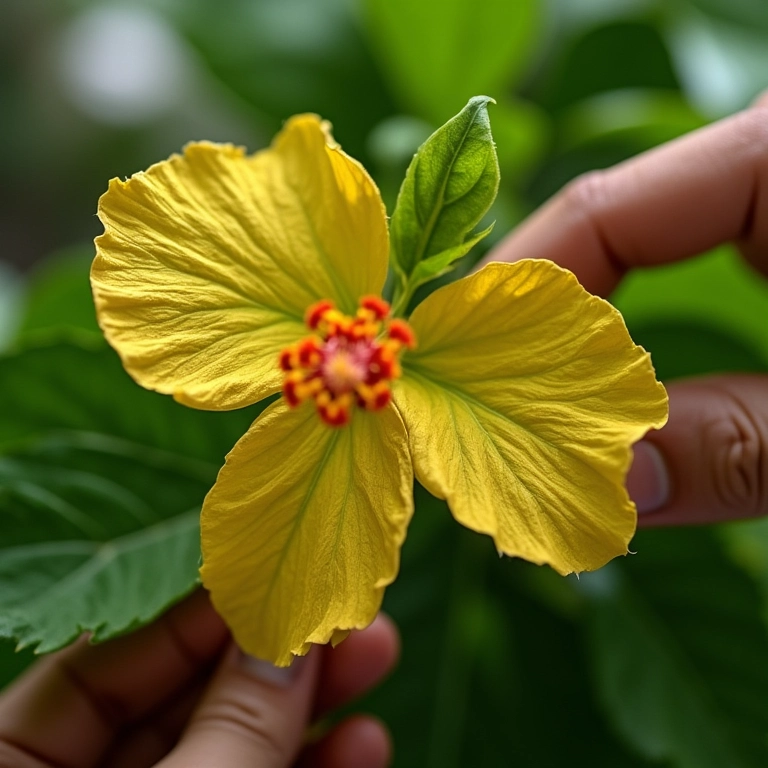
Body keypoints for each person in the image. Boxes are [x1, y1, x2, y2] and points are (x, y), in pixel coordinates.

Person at [2, 92, 767, 768]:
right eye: (338, 354)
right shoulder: (349, 356)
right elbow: (174, 240)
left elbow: (562, 442)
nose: (342, 367)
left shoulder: (375, 349)